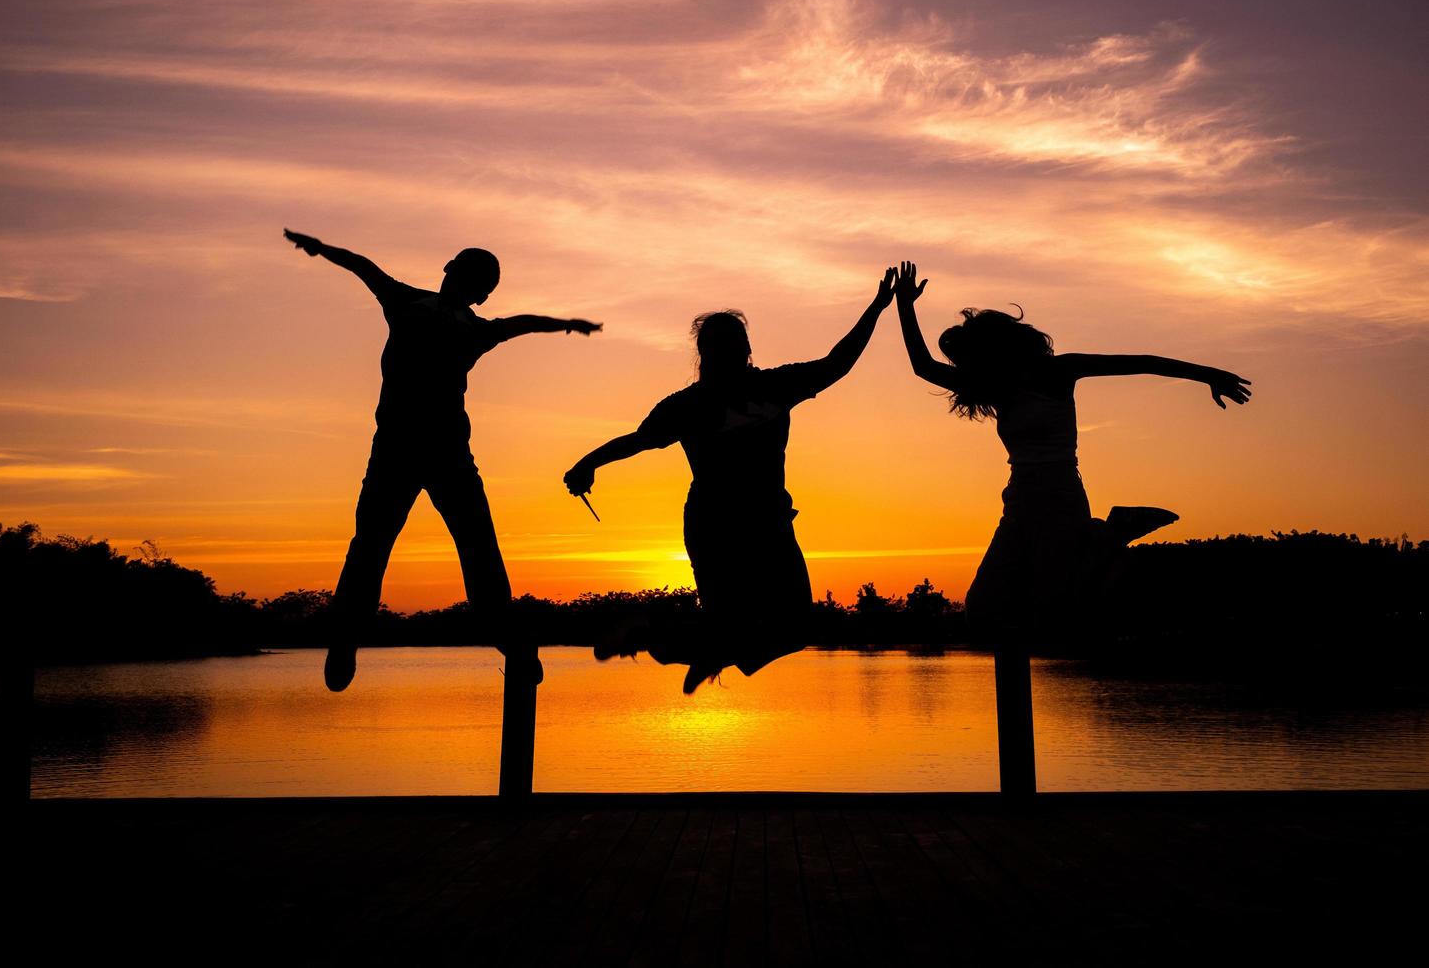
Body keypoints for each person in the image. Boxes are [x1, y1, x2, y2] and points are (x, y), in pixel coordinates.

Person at [891, 260, 1251, 791]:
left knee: (1060, 610)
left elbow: (1142, 362)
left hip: (1061, 496)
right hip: (1018, 501)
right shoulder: (997, 387)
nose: (970, 365)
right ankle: (1105, 539)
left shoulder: (1058, 372)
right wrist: (903, 307)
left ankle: (1112, 531)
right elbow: (923, 366)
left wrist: (1208, 375)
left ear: (1001, 346)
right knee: (984, 610)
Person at [284, 229, 601, 691]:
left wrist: (566, 323)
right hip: (395, 449)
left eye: (481, 282)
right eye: (467, 273)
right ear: (450, 271)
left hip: (449, 453)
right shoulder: (405, 301)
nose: (470, 285)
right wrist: (319, 248)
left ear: (482, 293)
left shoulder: (477, 329)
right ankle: (346, 636)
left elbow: (524, 322)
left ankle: (507, 637)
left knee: (477, 547)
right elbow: (361, 264)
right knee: (372, 544)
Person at [564, 269, 899, 693]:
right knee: (740, 625)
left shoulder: (772, 385)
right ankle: (674, 639)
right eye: (718, 347)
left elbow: (837, 364)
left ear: (745, 350)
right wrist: (588, 463)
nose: (728, 353)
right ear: (707, 353)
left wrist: (876, 308)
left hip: (768, 524)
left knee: (793, 629)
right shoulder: (690, 405)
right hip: (717, 527)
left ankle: (672, 640)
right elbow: (637, 442)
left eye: (733, 345)